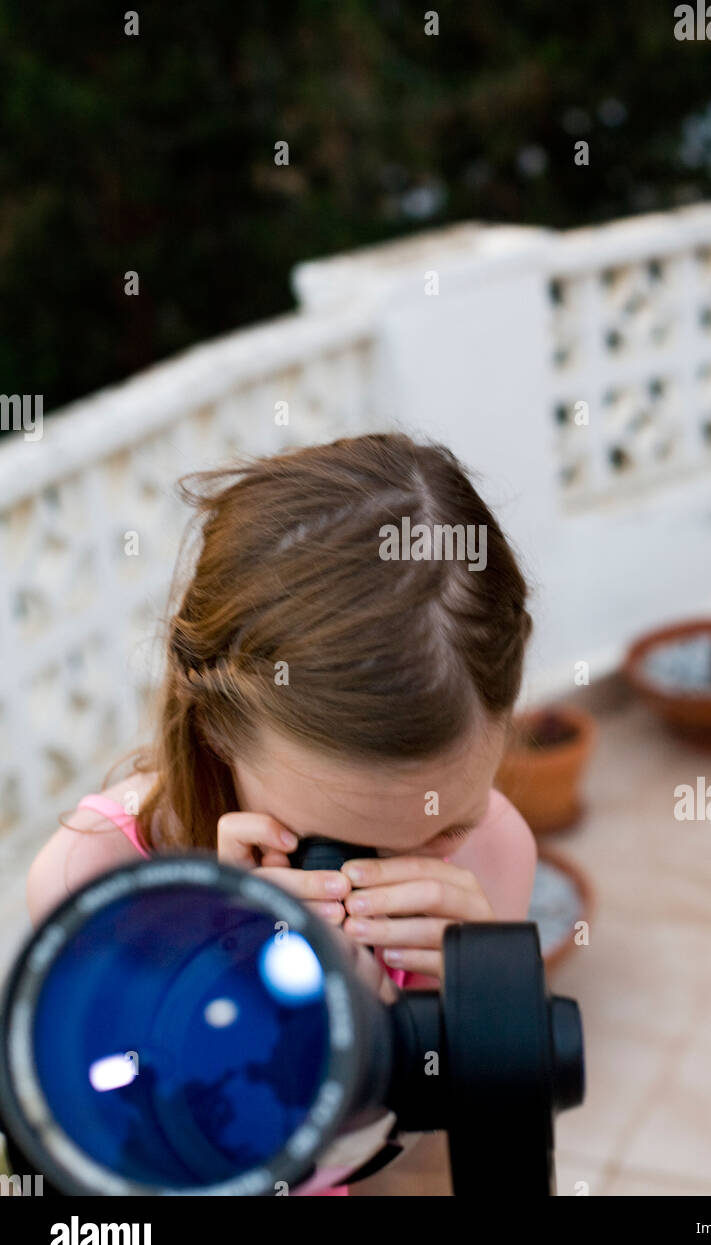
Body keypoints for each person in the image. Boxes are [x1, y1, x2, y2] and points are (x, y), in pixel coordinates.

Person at [26, 432, 538, 1191]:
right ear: (217, 731)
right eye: (339, 848)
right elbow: (113, 1176)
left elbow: (424, 1169)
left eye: (446, 826)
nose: (397, 875)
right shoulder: (96, 878)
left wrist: (477, 1021)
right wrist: (205, 976)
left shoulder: (495, 854)